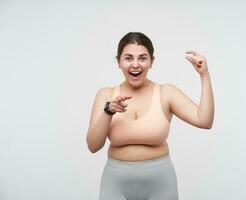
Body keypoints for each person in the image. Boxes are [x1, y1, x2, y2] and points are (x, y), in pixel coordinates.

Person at [86, 32, 214, 200]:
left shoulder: (166, 93)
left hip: (160, 183)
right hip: (115, 182)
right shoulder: (105, 95)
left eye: (143, 58)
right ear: (118, 62)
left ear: (152, 62)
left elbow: (204, 121)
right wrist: (108, 111)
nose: (135, 65)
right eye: (128, 58)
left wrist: (204, 75)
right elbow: (93, 146)